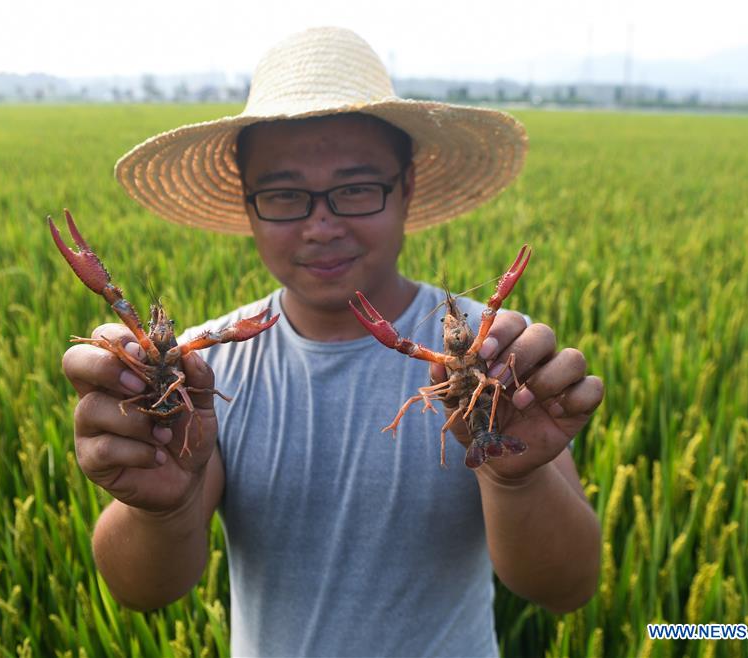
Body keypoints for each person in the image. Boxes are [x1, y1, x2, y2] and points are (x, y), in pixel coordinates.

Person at [62, 27, 603, 657]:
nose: (322, 225)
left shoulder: (501, 358)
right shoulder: (200, 367)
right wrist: (159, 508)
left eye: (355, 188)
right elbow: (143, 591)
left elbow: (568, 587)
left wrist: (518, 481)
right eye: (285, 194)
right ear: (248, 205)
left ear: (407, 189)